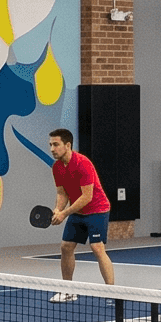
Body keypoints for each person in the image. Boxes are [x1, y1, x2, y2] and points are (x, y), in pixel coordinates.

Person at [44, 127, 115, 301]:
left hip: (97, 209)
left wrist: (64, 214)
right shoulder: (57, 167)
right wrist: (58, 209)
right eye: (50, 145)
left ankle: (112, 292)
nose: (52, 149)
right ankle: (68, 290)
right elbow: (62, 193)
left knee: (97, 247)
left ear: (67, 145)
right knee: (66, 247)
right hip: (78, 211)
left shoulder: (83, 163)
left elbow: (87, 197)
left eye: (56, 144)